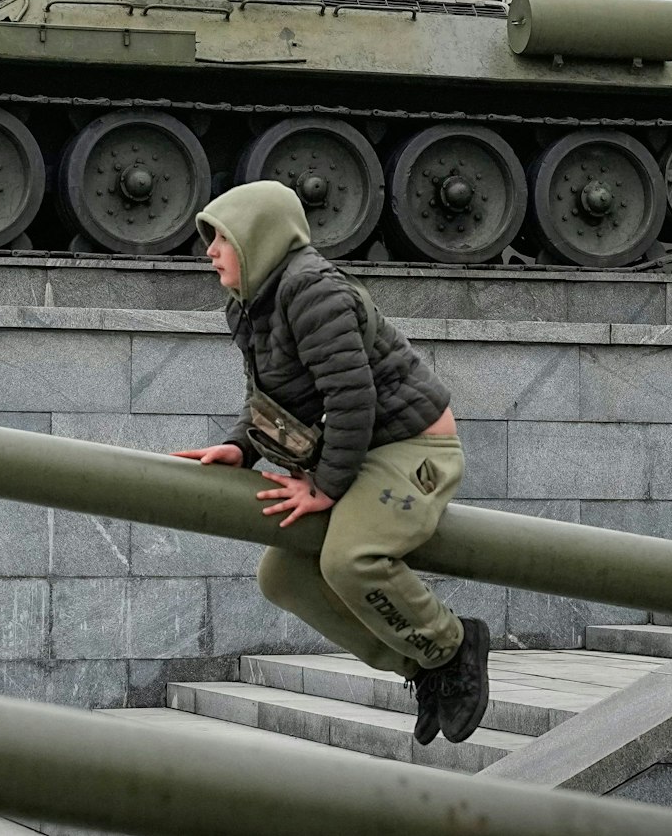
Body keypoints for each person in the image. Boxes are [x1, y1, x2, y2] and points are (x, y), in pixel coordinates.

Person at [171, 181, 491, 745]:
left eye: (220, 238)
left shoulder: (312, 291)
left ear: (257, 238)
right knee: (283, 576)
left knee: (351, 559)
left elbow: (351, 397)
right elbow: (273, 401)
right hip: (361, 447)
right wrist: (240, 446)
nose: (210, 252)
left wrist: (323, 487)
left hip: (412, 447)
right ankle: (423, 667)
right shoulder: (253, 303)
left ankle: (454, 645)